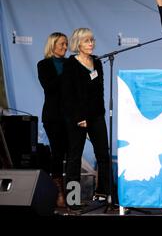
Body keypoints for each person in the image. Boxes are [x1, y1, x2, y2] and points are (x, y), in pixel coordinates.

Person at [62, 28, 110, 208]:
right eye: (86, 41)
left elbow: (100, 90)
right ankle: (72, 200)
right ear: (78, 44)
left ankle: (103, 194)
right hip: (78, 117)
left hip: (96, 115)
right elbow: (68, 94)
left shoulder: (97, 61)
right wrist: (79, 117)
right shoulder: (70, 64)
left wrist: (100, 113)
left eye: (92, 40)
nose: (91, 44)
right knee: (75, 157)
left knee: (103, 155)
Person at [37, 32, 69, 208]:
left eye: (66, 44)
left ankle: (73, 194)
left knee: (72, 155)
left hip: (71, 118)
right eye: (62, 44)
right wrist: (67, 72)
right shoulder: (43, 65)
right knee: (57, 154)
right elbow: (49, 87)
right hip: (53, 117)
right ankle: (58, 194)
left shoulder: (70, 63)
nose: (65, 47)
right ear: (52, 45)